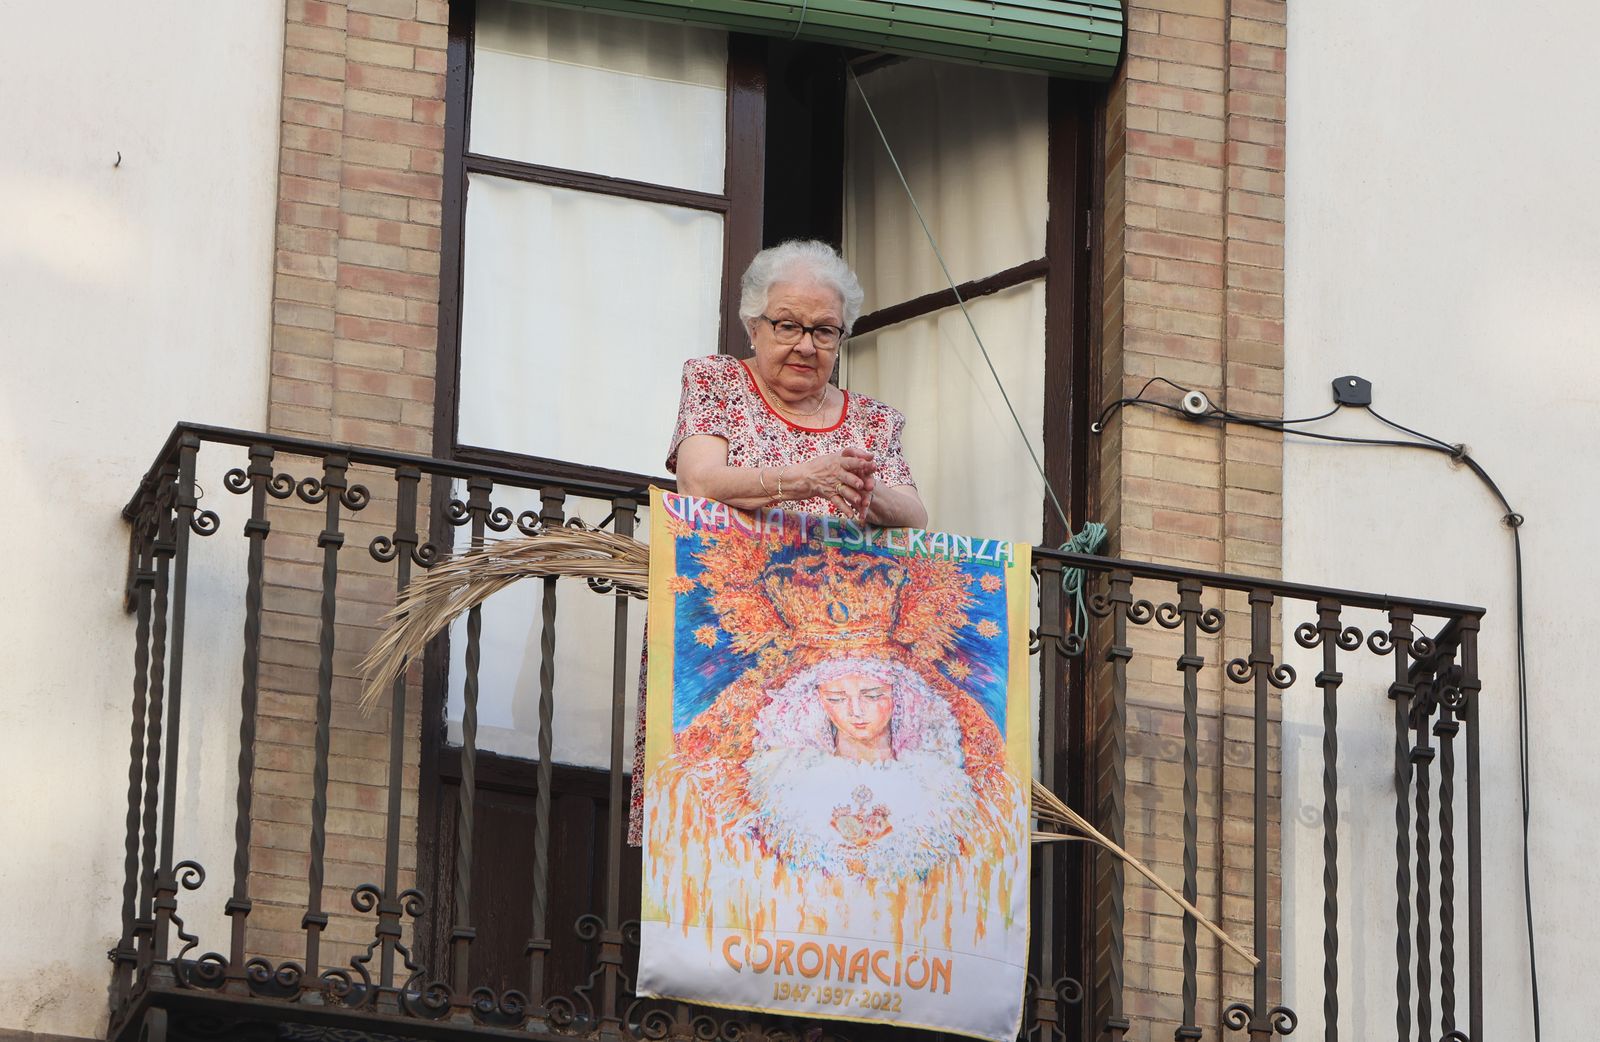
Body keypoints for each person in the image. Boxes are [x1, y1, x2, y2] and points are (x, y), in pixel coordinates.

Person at [629, 240, 929, 844]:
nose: (805, 345)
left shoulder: (872, 421)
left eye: (824, 331)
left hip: (834, 659)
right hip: (726, 642)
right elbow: (698, 481)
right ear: (752, 325)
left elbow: (914, 512)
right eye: (787, 325)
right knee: (718, 819)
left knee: (828, 826)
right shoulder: (715, 383)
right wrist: (804, 479)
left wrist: (867, 495)